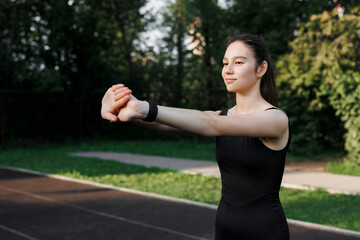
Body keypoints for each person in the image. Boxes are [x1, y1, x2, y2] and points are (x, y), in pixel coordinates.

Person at [101, 32, 291, 240]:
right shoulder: (223, 116)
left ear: (261, 68)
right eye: (225, 63)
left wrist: (143, 108)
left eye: (238, 62)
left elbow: (210, 124)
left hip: (264, 233)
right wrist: (123, 108)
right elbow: (163, 123)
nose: (228, 70)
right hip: (224, 229)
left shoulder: (275, 120)